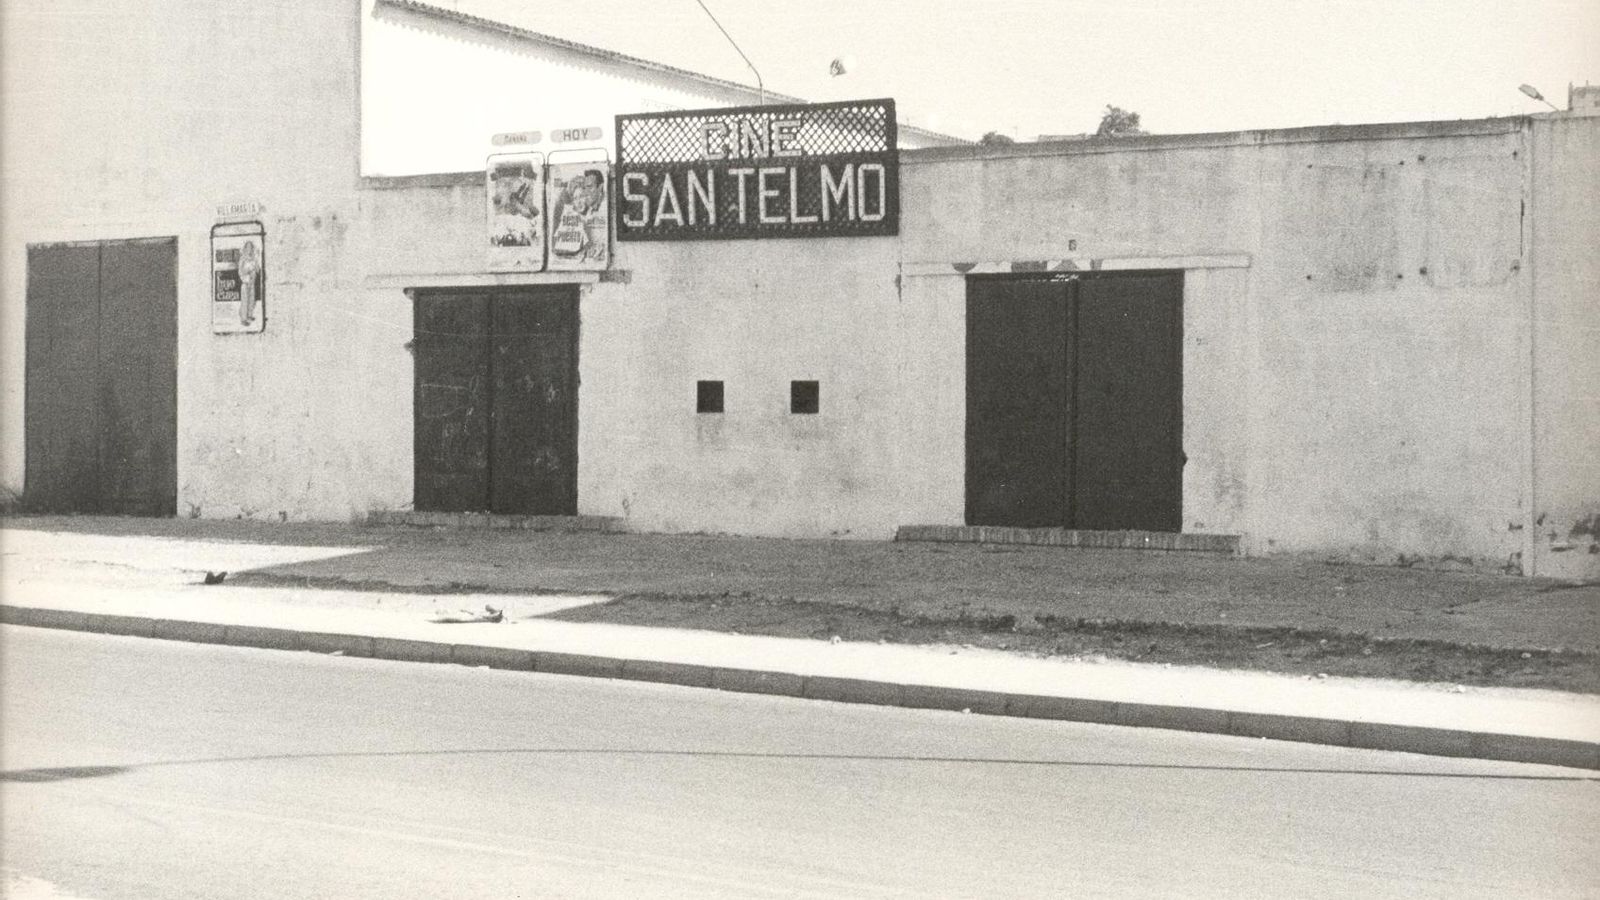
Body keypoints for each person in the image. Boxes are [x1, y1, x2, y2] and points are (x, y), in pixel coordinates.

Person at [237, 239, 262, 326]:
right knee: (245, 300)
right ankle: (243, 319)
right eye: (248, 247)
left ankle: (249, 315)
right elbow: (240, 271)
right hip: (245, 282)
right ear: (245, 248)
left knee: (252, 300)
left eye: (251, 247)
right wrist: (245, 278)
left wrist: (258, 258)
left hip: (252, 282)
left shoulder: (254, 258)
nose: (249, 249)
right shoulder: (243, 258)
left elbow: (258, 270)